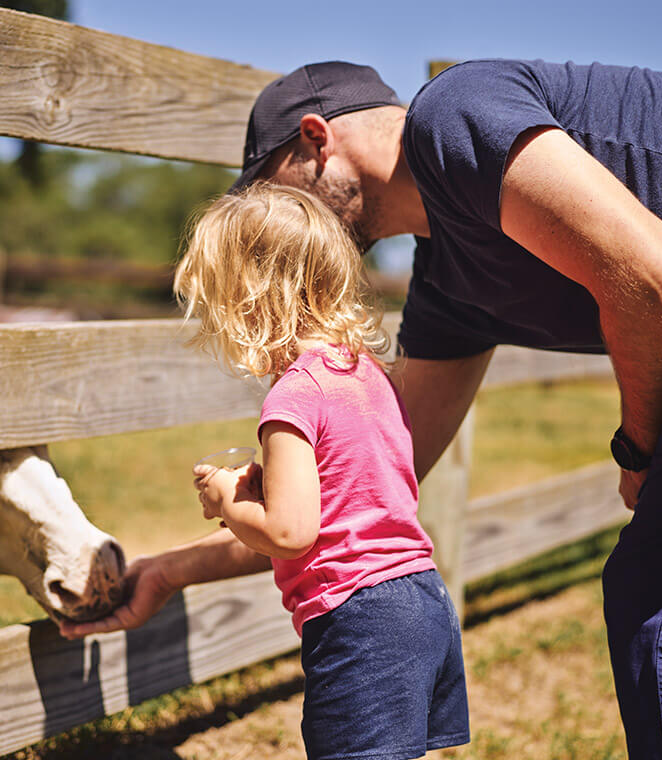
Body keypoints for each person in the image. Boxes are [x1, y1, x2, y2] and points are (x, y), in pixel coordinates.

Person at [61, 60, 662, 759]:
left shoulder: (456, 114)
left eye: (267, 187)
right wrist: (172, 570)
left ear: (315, 139)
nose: (268, 222)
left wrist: (642, 450)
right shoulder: (450, 290)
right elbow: (355, 504)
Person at [178, 183, 469, 759]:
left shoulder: (292, 398)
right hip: (421, 599)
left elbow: (289, 534)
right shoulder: (368, 375)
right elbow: (352, 486)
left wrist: (227, 502)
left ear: (249, 301)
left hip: (360, 620)